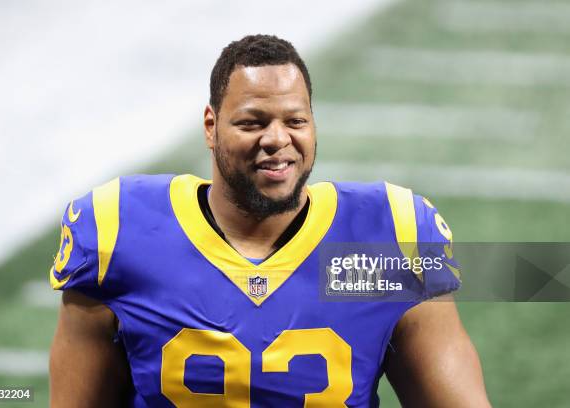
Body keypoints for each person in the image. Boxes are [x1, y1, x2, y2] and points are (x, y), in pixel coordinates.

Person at [49, 34, 490, 407]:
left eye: (295, 120)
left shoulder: (388, 238)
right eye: (252, 122)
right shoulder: (118, 230)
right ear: (211, 125)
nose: (277, 139)